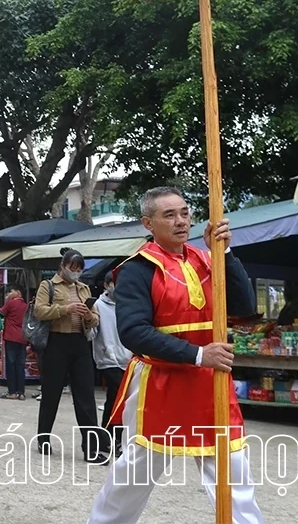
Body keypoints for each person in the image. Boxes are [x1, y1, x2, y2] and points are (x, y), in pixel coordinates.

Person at [88, 187, 263, 524]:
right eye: (169, 215)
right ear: (148, 223)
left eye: (184, 212)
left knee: (233, 472)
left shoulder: (207, 259)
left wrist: (225, 253)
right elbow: (134, 333)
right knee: (134, 475)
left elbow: (244, 308)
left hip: (211, 383)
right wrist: (198, 354)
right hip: (159, 385)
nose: (181, 221)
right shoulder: (138, 269)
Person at [33, 247, 106, 463]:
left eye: (79, 269)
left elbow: (95, 318)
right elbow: (39, 311)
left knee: (85, 397)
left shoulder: (84, 288)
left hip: (80, 343)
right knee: (51, 394)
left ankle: (92, 449)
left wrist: (87, 315)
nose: (75, 272)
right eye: (72, 267)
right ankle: (43, 438)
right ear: (63, 266)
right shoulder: (48, 286)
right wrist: (66, 309)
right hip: (56, 342)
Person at [91, 270, 131, 455]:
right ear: (107, 285)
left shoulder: (127, 304)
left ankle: (110, 438)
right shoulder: (98, 305)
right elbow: (91, 334)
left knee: (116, 400)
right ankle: (111, 438)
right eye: (114, 283)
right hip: (108, 359)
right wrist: (88, 321)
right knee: (118, 397)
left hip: (128, 358)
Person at [0, 286, 28, 400]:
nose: (8, 294)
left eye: (11, 291)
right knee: (20, 365)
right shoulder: (26, 306)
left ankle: (12, 392)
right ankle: (21, 392)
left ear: (18, 292)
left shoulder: (11, 303)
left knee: (11, 365)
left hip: (11, 337)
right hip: (23, 338)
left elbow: (0, 313)